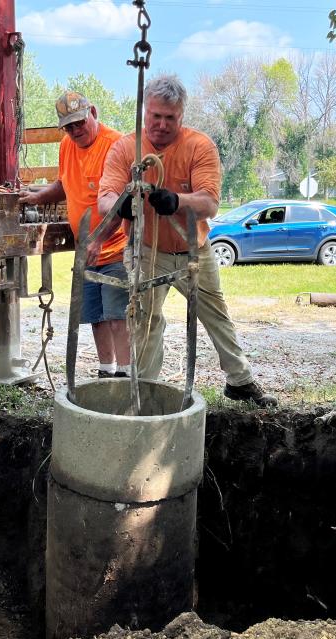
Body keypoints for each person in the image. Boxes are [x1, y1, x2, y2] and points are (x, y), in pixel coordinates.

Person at [96, 75, 277, 406]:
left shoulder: (199, 146)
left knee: (215, 312)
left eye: (170, 118)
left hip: (195, 249)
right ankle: (145, 392)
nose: (162, 125)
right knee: (147, 321)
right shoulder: (126, 148)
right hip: (147, 250)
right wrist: (121, 204)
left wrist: (177, 202)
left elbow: (209, 202)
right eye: (155, 116)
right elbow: (105, 198)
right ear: (144, 112)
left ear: (181, 115)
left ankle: (240, 381)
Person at [19, 91, 131, 379]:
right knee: (95, 317)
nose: (75, 131)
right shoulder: (67, 146)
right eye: (68, 126)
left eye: (79, 123)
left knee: (118, 316)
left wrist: (101, 239)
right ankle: (106, 373)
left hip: (116, 247)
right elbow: (64, 183)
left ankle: (126, 377)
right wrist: (38, 196)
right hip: (86, 250)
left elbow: (124, 202)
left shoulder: (116, 145)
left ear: (92, 112)